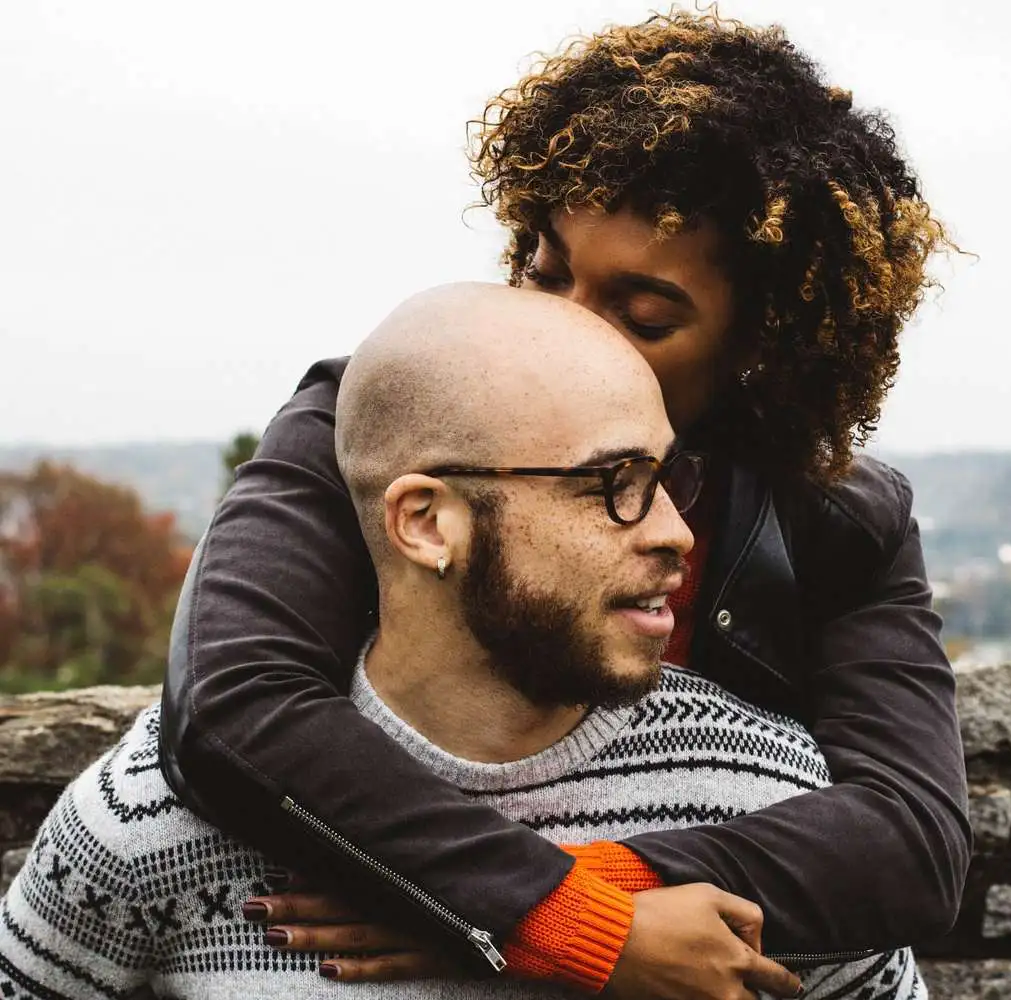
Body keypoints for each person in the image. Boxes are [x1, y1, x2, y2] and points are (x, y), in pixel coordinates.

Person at [159, 8, 970, 993]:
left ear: (760, 342)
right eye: (545, 273)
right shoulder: (379, 419)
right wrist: (547, 914)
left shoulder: (839, 519)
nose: (568, 328)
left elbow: (912, 838)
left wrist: (571, 906)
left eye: (643, 315)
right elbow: (231, 704)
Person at [0, 284, 928, 999]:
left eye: (666, 478)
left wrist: (565, 906)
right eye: (611, 485)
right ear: (426, 523)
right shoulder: (152, 823)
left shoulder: (764, 798)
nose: (676, 533)